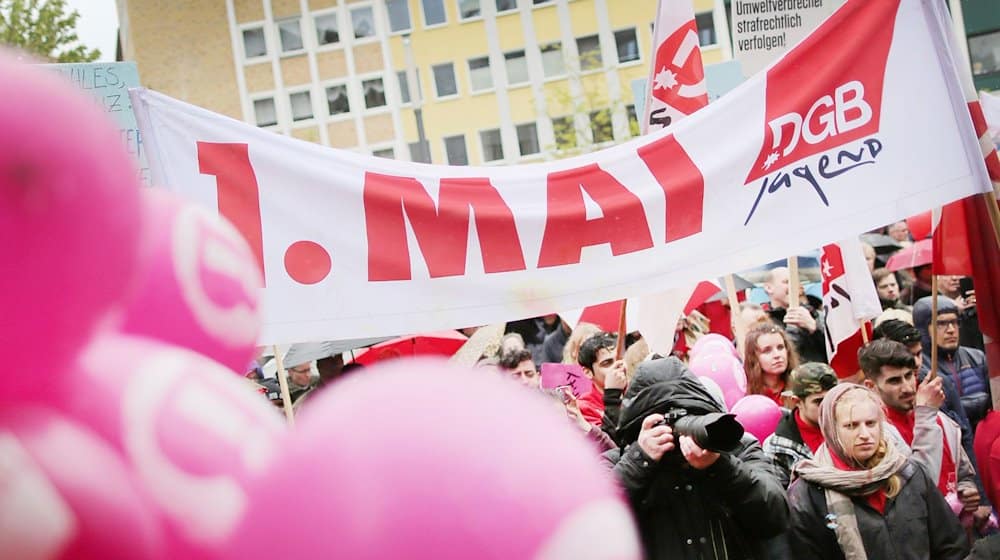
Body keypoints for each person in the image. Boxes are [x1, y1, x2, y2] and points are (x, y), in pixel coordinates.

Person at [604, 357, 789, 559]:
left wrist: (720, 466)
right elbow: (591, 531)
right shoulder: (619, 461)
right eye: (663, 420)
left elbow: (775, 515)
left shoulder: (735, 447)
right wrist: (639, 460)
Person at [788, 383, 969, 559]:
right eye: (852, 425)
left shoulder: (907, 473)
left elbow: (951, 544)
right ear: (831, 430)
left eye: (871, 423)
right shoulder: (808, 494)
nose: (865, 434)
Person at [858, 340, 990, 528]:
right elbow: (919, 486)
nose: (908, 388)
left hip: (956, 535)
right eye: (894, 381)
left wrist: (966, 490)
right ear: (871, 386)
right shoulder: (874, 436)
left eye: (909, 376)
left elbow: (963, 473)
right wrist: (926, 416)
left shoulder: (940, 419)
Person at [913, 296, 992, 429]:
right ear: (924, 329)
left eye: (954, 322)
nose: (951, 330)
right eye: (941, 324)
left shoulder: (977, 357)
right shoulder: (920, 368)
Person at [763, 362, 838, 488]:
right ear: (797, 401)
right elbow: (780, 497)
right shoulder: (777, 447)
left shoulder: (851, 427)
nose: (828, 407)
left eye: (833, 399)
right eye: (818, 402)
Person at [762, 266, 827, 363]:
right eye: (786, 282)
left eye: (796, 282)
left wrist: (815, 327)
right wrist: (793, 326)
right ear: (769, 288)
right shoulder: (764, 321)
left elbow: (837, 347)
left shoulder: (815, 314)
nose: (793, 287)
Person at [743, 322, 801, 408]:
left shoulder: (800, 385)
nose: (777, 355)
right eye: (767, 351)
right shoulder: (745, 391)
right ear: (753, 357)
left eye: (780, 347)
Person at [575, 332, 627, 428]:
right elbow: (607, 440)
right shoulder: (584, 408)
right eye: (607, 363)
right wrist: (612, 394)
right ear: (587, 372)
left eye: (620, 359)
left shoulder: (638, 390)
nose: (618, 367)